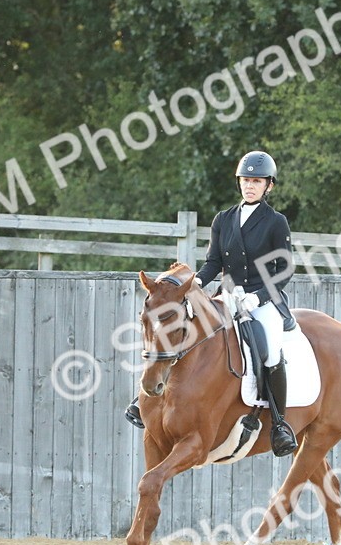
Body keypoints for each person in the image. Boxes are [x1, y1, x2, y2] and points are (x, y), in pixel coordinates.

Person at [125, 150, 298, 456]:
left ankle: (280, 425)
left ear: (268, 186)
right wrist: (198, 283)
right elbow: (213, 262)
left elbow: (284, 268)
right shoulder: (224, 219)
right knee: (179, 331)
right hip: (227, 295)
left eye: (257, 181)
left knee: (270, 350)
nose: (250, 186)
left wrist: (258, 295)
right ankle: (146, 400)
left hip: (262, 300)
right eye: (246, 180)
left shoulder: (276, 222)